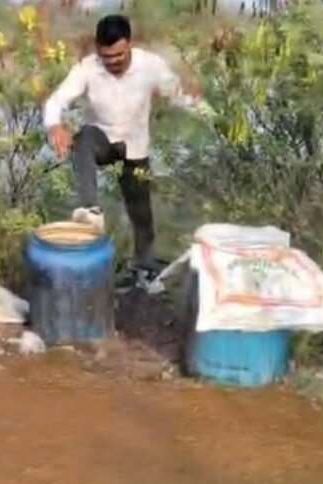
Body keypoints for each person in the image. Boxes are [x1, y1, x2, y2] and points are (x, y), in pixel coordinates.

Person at [43, 14, 214, 284]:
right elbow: (56, 100)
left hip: (134, 147)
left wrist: (213, 118)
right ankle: (91, 211)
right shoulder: (87, 68)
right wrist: (54, 125)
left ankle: (144, 267)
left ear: (129, 44)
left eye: (119, 55)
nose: (113, 62)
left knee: (141, 214)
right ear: (98, 50)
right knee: (83, 139)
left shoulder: (150, 65)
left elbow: (178, 95)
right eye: (106, 57)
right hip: (101, 141)